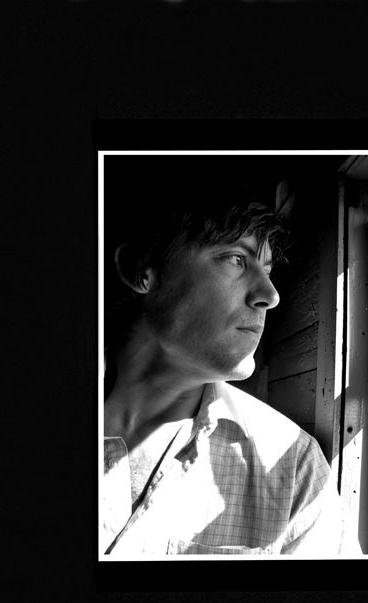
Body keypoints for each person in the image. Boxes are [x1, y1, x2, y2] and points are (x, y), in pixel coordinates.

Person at [101, 185, 344, 557]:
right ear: (141, 270)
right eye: (236, 259)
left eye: (267, 270)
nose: (271, 295)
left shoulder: (295, 467)